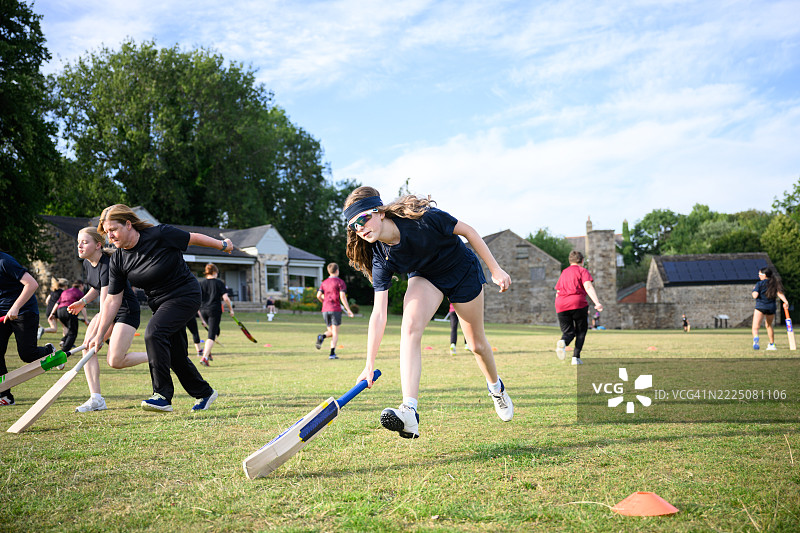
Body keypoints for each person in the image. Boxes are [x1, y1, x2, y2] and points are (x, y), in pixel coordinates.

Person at [344, 186, 513, 439]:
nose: (361, 228)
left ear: (379, 211)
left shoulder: (421, 219)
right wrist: (369, 364)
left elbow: (468, 231)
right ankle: (409, 412)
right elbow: (378, 313)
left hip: (461, 271)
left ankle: (496, 388)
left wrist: (495, 269)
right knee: (409, 328)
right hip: (426, 278)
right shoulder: (379, 256)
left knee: (476, 345)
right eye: (354, 225)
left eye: (363, 219)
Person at [87, 204, 230, 412]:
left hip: (185, 294)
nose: (110, 236)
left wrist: (222, 244)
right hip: (160, 303)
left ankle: (162, 394)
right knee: (176, 355)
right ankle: (204, 393)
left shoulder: (159, 234)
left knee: (153, 333)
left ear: (128, 224)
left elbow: (194, 238)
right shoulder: (118, 259)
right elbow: (112, 301)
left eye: (113, 230)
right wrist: (100, 334)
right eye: (107, 232)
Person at [68, 227, 148, 412]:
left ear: (98, 245)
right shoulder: (88, 263)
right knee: (88, 347)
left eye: (84, 242)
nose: (79, 245)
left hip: (125, 311)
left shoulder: (108, 264)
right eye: (78, 242)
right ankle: (96, 399)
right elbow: (97, 288)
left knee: (115, 361)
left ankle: (159, 357)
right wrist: (83, 301)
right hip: (108, 310)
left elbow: (106, 302)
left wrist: (100, 334)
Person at [0, 251, 55, 406]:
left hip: (24, 310)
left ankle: (49, 351)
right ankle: (5, 396)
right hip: (2, 314)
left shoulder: (5, 262)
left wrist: (15, 307)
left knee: (27, 354)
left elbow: (32, 284)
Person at [554, 251, 603, 365]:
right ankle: (576, 358)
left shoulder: (564, 272)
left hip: (561, 303)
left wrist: (559, 304)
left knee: (569, 332)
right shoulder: (582, 270)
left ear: (570, 261)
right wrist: (597, 303)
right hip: (577, 303)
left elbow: (558, 291)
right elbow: (588, 286)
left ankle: (563, 342)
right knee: (581, 331)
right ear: (582, 261)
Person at [315, 263, 354, 359]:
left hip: (325, 309)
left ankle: (322, 337)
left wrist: (324, 302)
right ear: (337, 271)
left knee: (331, 332)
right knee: (335, 333)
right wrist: (348, 310)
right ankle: (332, 354)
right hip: (335, 309)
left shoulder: (324, 282)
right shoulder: (340, 282)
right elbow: (342, 297)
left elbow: (318, 296)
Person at [197, 263, 233, 366]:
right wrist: (231, 310)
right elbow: (226, 298)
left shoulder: (201, 283)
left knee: (216, 331)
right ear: (214, 272)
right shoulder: (219, 283)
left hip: (203, 311)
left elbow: (197, 300)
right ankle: (204, 357)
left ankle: (208, 351)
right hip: (214, 310)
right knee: (212, 335)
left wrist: (201, 318)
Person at [751, 267, 789, 350]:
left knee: (755, 327)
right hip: (771, 307)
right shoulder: (774, 283)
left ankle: (756, 339)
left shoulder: (759, 284)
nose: (759, 276)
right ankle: (772, 344)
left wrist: (754, 290)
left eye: (760, 274)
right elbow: (780, 293)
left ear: (764, 275)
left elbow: (755, 296)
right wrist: (785, 302)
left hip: (760, 307)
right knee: (768, 325)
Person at [55, 280, 85, 351]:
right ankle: (64, 351)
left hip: (59, 311)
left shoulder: (65, 291)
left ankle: (63, 340)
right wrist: (86, 319)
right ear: (81, 285)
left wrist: (52, 313)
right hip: (69, 310)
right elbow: (83, 306)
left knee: (70, 329)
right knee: (73, 333)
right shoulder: (79, 293)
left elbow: (57, 303)